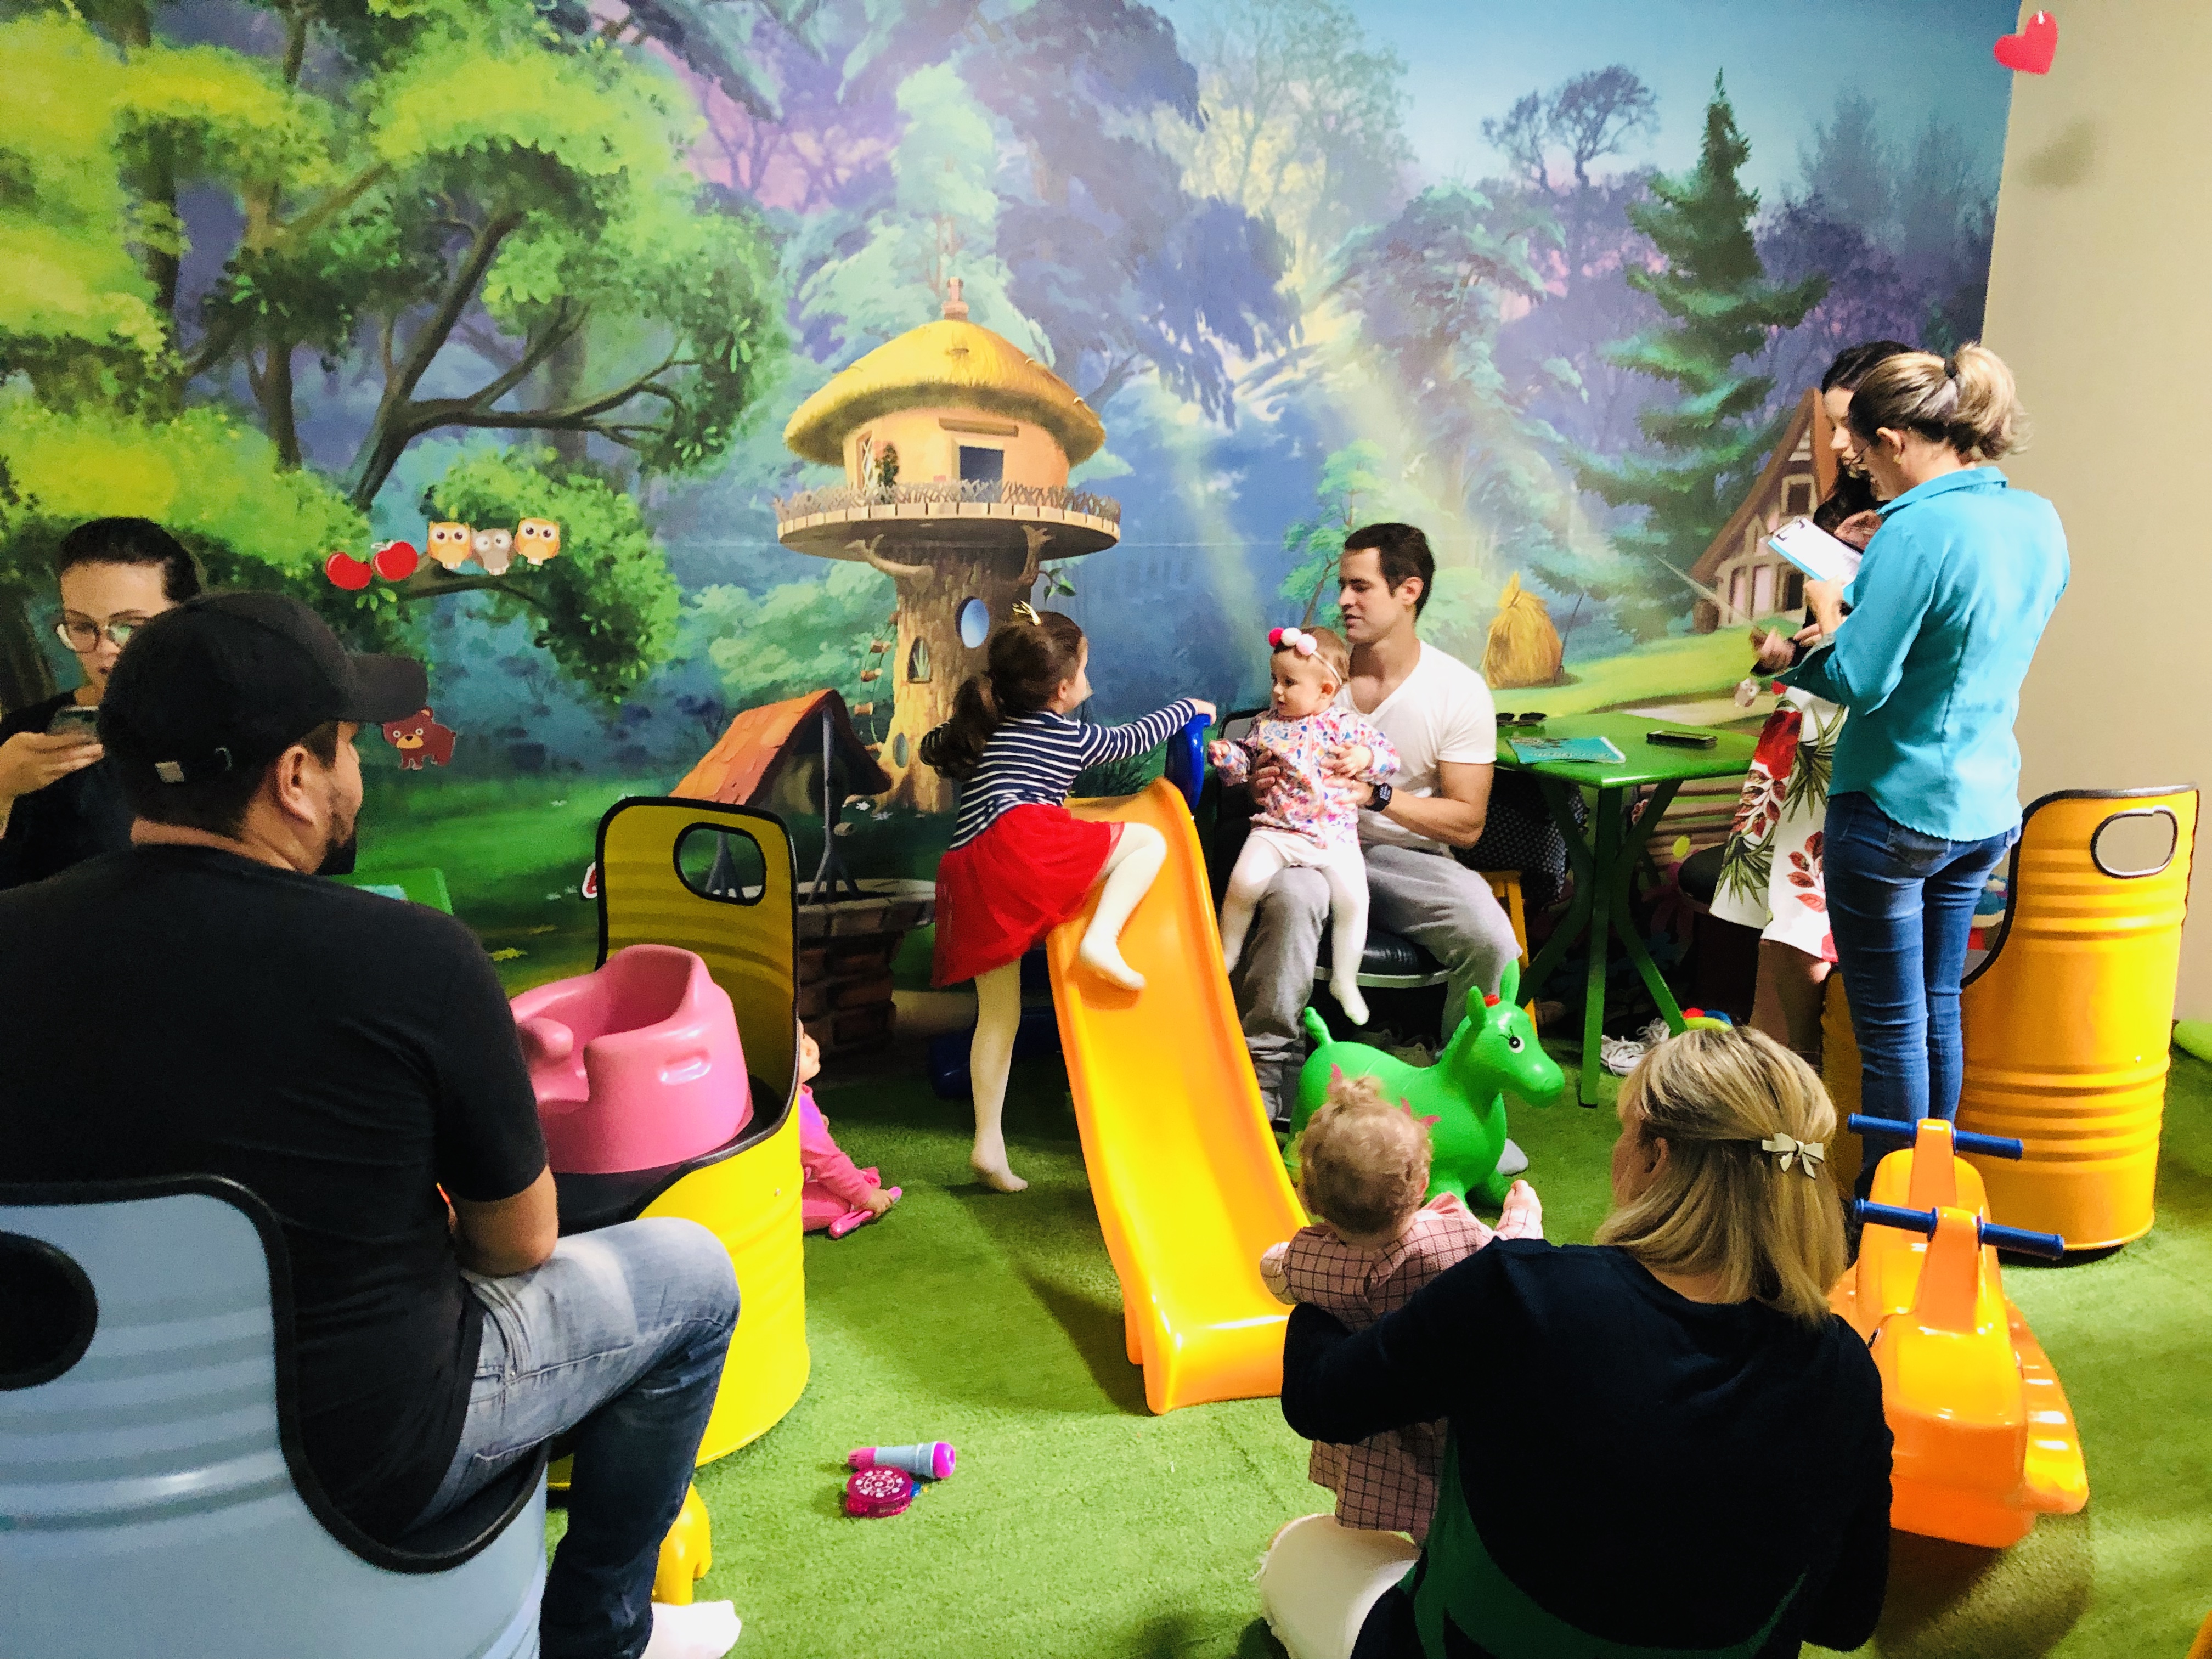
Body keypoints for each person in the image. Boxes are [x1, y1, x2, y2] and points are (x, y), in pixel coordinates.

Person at [0, 592, 743, 1659]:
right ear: (297, 777)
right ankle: (598, 1636)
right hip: (363, 1461)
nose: (358, 774)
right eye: (349, 746)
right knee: (693, 1275)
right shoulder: (418, 959)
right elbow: (519, 1242)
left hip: (44, 1470)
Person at [1262, 1027, 1891, 1659]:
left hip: (1457, 1644)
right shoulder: (1847, 1370)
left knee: (1304, 1547)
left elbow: (1323, 1402)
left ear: (1655, 1158)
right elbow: (1843, 1619)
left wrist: (1321, 1290)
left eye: (1624, 1131)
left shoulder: (1521, 1293)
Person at [1756, 343, 2067, 1160]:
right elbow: (1969, 633)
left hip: (1893, 810)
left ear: (1894, 440)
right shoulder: (2037, 519)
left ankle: (1885, 1213)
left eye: (1862, 455)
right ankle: (1931, 1193)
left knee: (1892, 1032)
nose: (1862, 472)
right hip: (1984, 809)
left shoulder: (1916, 529)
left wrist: (1826, 616)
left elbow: (1861, 680)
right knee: (1937, 1011)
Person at [1233, 524, 1523, 1125]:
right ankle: (1268, 1078)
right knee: (1292, 898)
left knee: (1493, 940)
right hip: (1305, 842)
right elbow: (1263, 748)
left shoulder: (1458, 691)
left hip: (1408, 858)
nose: (1344, 600)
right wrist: (1257, 778)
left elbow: (1467, 822)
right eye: (1343, 585)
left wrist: (1377, 795)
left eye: (1360, 587)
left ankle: (1460, 1095)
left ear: (1408, 591)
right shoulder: (1315, 671)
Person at [921, 603, 1213, 1192]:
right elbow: (1132, 740)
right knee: (1148, 843)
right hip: (1017, 844)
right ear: (1062, 689)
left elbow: (937, 746)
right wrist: (1189, 709)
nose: (1087, 678)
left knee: (996, 1017)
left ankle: (988, 1145)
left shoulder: (993, 730)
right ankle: (1101, 941)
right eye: (1084, 669)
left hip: (966, 867)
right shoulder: (1066, 734)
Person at [1714, 340, 1914, 1063]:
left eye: (1847, 426)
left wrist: (1833, 617)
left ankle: (1792, 1081)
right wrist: (1791, 650)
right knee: (1777, 921)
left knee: (1807, 926)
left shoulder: (1916, 528)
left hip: (1852, 744)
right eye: (1831, 425)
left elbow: (1876, 654)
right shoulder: (1844, 511)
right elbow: (1832, 640)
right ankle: (1762, 1070)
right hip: (1803, 729)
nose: (1834, 443)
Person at [1258, 1073, 1539, 1539]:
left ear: (1308, 1198)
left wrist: (1281, 1260)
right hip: (1449, 1416)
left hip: (1374, 1433)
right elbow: (1515, 1257)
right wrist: (1524, 1212)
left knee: (1382, 1513)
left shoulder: (1309, 1261)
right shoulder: (1456, 1235)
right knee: (1446, 1511)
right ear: (1423, 1182)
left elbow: (1274, 1271)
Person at [0, 517, 202, 889]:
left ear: (185, 622)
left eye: (130, 627)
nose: (104, 650)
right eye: (81, 626)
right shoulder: (23, 742)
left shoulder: (232, 723)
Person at [1211, 625, 1398, 1026]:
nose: (1277, 691)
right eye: (1274, 679)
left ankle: (1345, 980)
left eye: (1289, 682)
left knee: (1354, 901)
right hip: (1276, 830)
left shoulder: (1348, 727)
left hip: (1334, 837)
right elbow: (1244, 764)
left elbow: (1389, 759)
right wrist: (1228, 757)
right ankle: (1227, 953)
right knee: (1244, 882)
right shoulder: (1266, 725)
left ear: (1325, 691)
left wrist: (1366, 758)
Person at [795, 1028, 900, 1237]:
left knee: (842, 1183)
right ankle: (854, 1188)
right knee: (839, 1203)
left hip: (779, 1181)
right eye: (796, 1049)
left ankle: (851, 1183)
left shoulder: (791, 1095)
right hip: (769, 1202)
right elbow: (829, 1162)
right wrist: (865, 1197)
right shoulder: (799, 1113)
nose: (809, 1048)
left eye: (804, 1035)